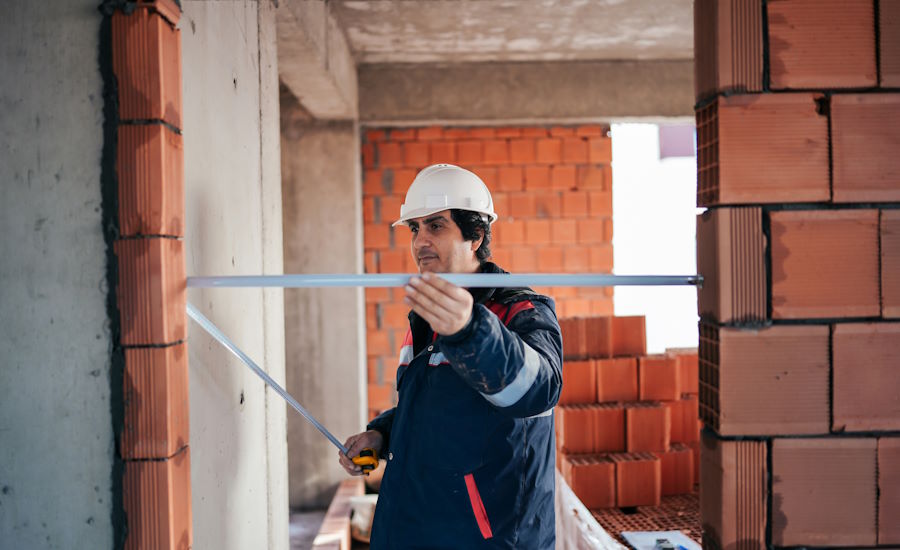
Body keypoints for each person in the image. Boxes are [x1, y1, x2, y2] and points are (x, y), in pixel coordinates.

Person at [338, 164, 563, 549]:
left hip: (487, 539)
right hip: (411, 530)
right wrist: (382, 434)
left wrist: (470, 329)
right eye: (415, 228)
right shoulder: (427, 318)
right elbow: (436, 407)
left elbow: (538, 392)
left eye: (435, 226)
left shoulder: (521, 310)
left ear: (475, 236)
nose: (420, 241)